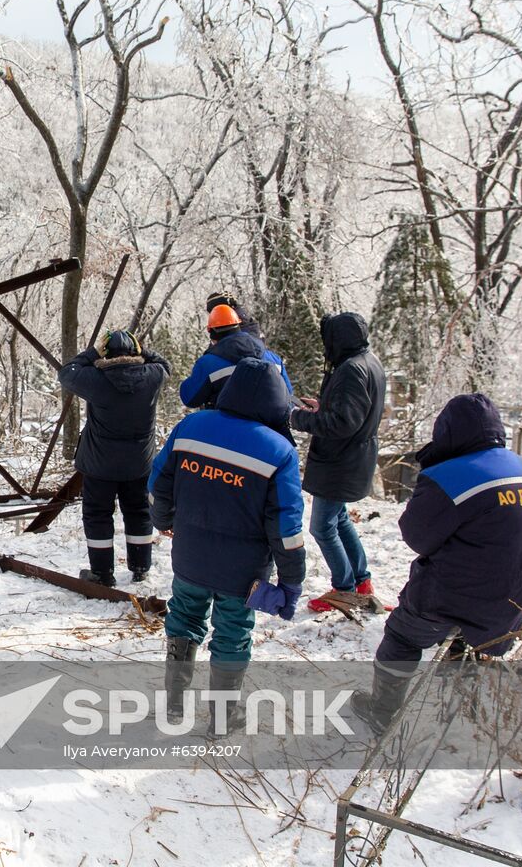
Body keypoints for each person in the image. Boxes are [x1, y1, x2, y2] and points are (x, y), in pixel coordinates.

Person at [351, 393, 522, 733]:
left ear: (447, 431)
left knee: (402, 635)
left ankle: (382, 712)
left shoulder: (451, 475)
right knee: (468, 622)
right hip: (519, 595)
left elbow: (416, 536)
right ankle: (461, 698)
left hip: (465, 592)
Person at [150, 358, 306, 731]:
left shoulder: (192, 427)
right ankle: (222, 717)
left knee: (184, 618)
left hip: (189, 554)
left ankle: (174, 704)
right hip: (244, 569)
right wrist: (291, 581)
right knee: (233, 633)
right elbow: (286, 526)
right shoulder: (279, 451)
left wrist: (164, 521)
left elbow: (158, 484)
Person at [289, 312, 387, 613]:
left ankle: (344, 588)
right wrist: (323, 407)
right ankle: (361, 581)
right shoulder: (369, 362)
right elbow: (355, 412)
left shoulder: (351, 370)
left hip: (340, 460)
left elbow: (343, 423)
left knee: (322, 527)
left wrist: (299, 418)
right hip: (353, 456)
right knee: (340, 519)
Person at [57, 328, 171, 585]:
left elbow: (66, 372)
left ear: (106, 354)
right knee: (139, 512)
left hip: (100, 465)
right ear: (136, 351)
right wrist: (144, 350)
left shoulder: (95, 379)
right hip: (139, 464)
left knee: (97, 515)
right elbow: (164, 364)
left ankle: (102, 572)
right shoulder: (152, 377)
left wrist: (93, 353)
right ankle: (141, 566)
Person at [179, 305, 293, 412]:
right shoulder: (274, 359)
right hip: (271, 429)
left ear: (212, 335)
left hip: (226, 429)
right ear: (238, 326)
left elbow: (189, 398)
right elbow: (288, 397)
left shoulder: (208, 364)